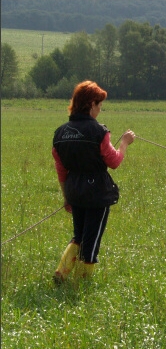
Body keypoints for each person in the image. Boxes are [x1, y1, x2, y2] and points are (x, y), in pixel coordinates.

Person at [52, 80, 135, 285]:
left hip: (74, 190)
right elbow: (114, 161)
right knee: (92, 238)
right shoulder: (99, 131)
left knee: (78, 235)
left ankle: (62, 273)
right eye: (99, 106)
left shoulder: (60, 133)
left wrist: (66, 197)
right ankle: (82, 283)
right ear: (91, 105)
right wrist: (124, 142)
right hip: (96, 193)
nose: (100, 110)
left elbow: (61, 170)